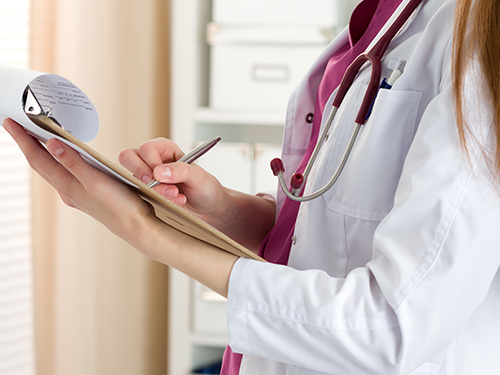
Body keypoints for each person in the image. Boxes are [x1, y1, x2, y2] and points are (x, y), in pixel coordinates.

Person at [4, 0, 500, 373]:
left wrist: (147, 232)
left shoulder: (477, 35)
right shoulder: (385, 17)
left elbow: (392, 325)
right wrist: (220, 210)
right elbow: (325, 231)